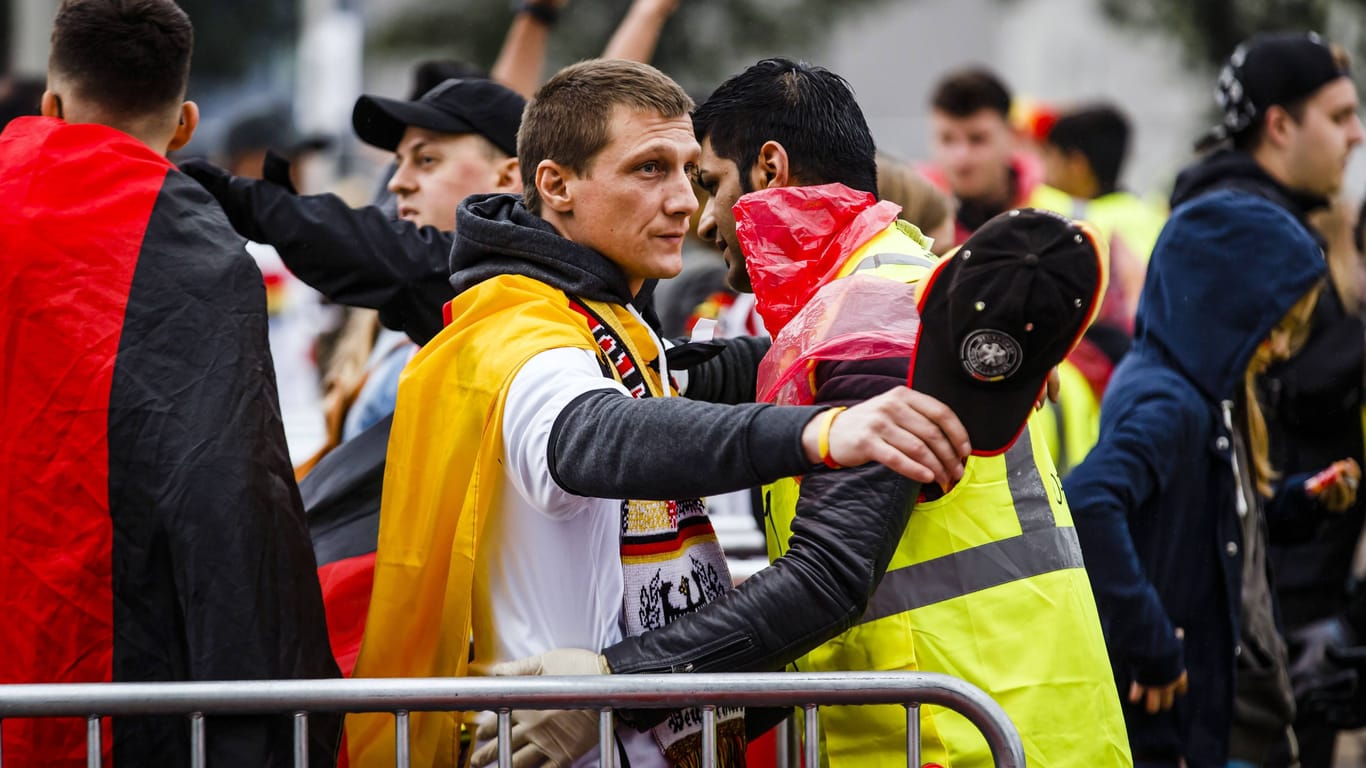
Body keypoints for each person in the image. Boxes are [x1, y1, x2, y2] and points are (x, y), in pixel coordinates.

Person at [476, 58, 1130, 768]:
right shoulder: (878, 292)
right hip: (988, 721)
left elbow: (828, 577)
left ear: (769, 170)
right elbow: (720, 371)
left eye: (708, 184)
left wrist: (615, 689)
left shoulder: (872, 320)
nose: (699, 218)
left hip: (968, 738)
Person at [344, 58, 969, 768]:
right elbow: (592, 438)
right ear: (556, 185)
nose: (686, 205)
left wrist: (952, 357)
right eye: (649, 170)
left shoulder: (611, 322)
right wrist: (822, 430)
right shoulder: (515, 328)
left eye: (693, 175)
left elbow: (752, 367)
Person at [0, 1, 340, 766]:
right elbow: (232, 504)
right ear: (185, 125)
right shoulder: (204, 255)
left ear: (50, 107)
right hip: (117, 679)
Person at [1165, 31, 1366, 768]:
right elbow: (1291, 381)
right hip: (1274, 590)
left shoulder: (1258, 207)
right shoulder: (1243, 220)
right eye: (1340, 115)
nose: (1357, 134)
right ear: (1280, 125)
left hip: (1282, 563)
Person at [920, 66, 1055, 247]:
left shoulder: (1056, 215)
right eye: (947, 139)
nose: (961, 157)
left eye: (977, 139)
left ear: (1012, 136)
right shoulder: (912, 217)